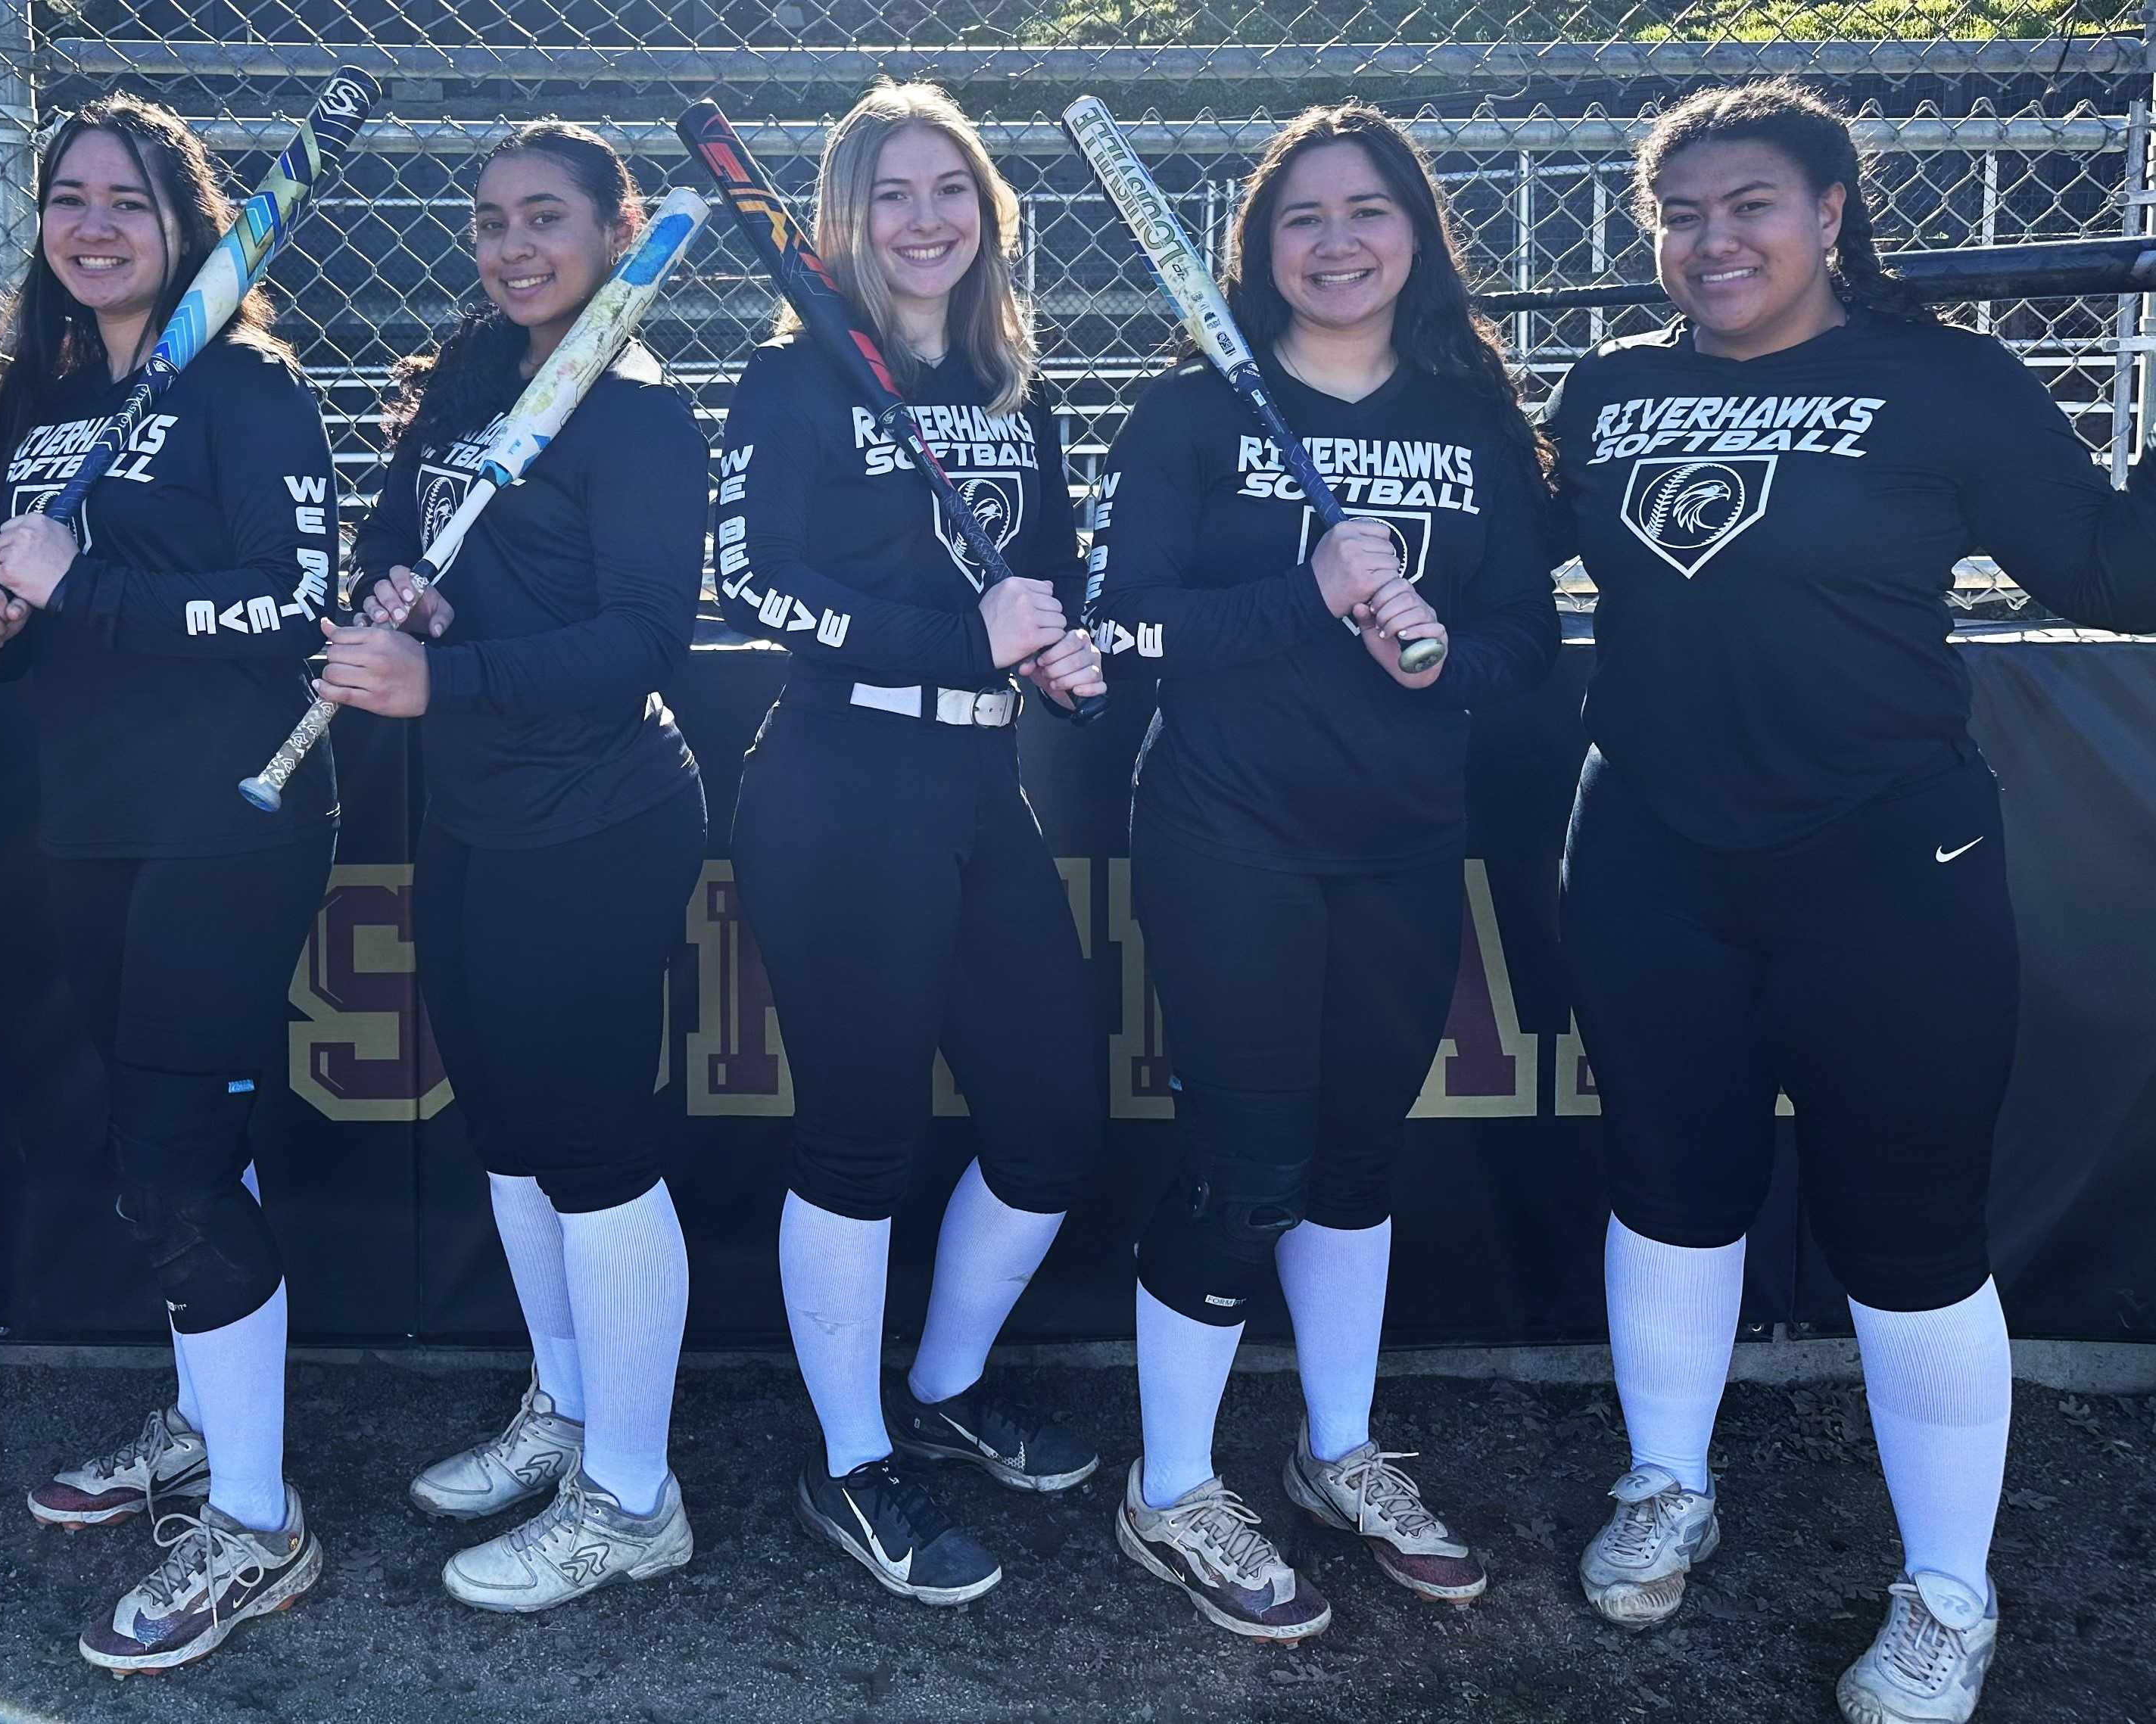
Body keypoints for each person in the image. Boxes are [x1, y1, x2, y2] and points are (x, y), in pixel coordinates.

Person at [1547, 78, 2156, 1724]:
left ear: (1830, 213)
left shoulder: (1945, 382)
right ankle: (1666, 1482)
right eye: (1678, 213)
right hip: (1654, 849)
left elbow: (2108, 573)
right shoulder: (1607, 390)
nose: (1709, 238)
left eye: (1747, 203)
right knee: (1672, 1186)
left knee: (1913, 1232)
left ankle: (1948, 1593)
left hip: (1887, 859)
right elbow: (1488, 562)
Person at [1085, 102, 1561, 1641]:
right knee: (1251, 1163)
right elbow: (1126, 626)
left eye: (1368, 211)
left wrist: (1438, 654)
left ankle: (1335, 1448)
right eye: (1303, 217)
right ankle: (1170, 1483)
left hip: (1402, 836)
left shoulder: (1474, 414)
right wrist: (1305, 588)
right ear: (1259, 244)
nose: (1338, 241)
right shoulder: (1193, 417)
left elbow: (1525, 645)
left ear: (1416, 233)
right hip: (1230, 827)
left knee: (1360, 1154)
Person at [0, 95, 338, 1674]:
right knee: (172, 1150)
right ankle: (203, 1416)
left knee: (170, 1159)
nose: (95, 224)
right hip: (86, 819)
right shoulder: (32, 407)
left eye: (131, 201)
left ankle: (258, 1520)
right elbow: (36, 611)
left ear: (188, 226)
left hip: (231, 818)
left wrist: (77, 580)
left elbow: (289, 601)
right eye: (69, 198)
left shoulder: (249, 385)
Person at [708, 79, 1109, 1607]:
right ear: (844, 219)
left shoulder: (1021, 385)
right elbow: (750, 579)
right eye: (891, 191)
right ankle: (853, 1452)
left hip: (979, 790)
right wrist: (965, 629)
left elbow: (1053, 570)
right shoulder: (793, 374)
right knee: (861, 1134)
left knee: (1052, 1119)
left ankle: (941, 1383)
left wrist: (1063, 643)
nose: (925, 215)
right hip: (839, 779)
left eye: (951, 187)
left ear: (988, 213)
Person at [319, 121, 708, 1613]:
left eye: (546, 216)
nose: (511, 245)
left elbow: (640, 645)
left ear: (616, 232)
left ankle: (633, 1493)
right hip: (478, 816)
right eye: (489, 220)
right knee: (505, 1127)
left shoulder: (644, 420)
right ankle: (566, 1405)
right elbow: (388, 555)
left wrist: (448, 682)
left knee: (594, 1148)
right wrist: (400, 597)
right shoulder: (471, 382)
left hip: (599, 822)